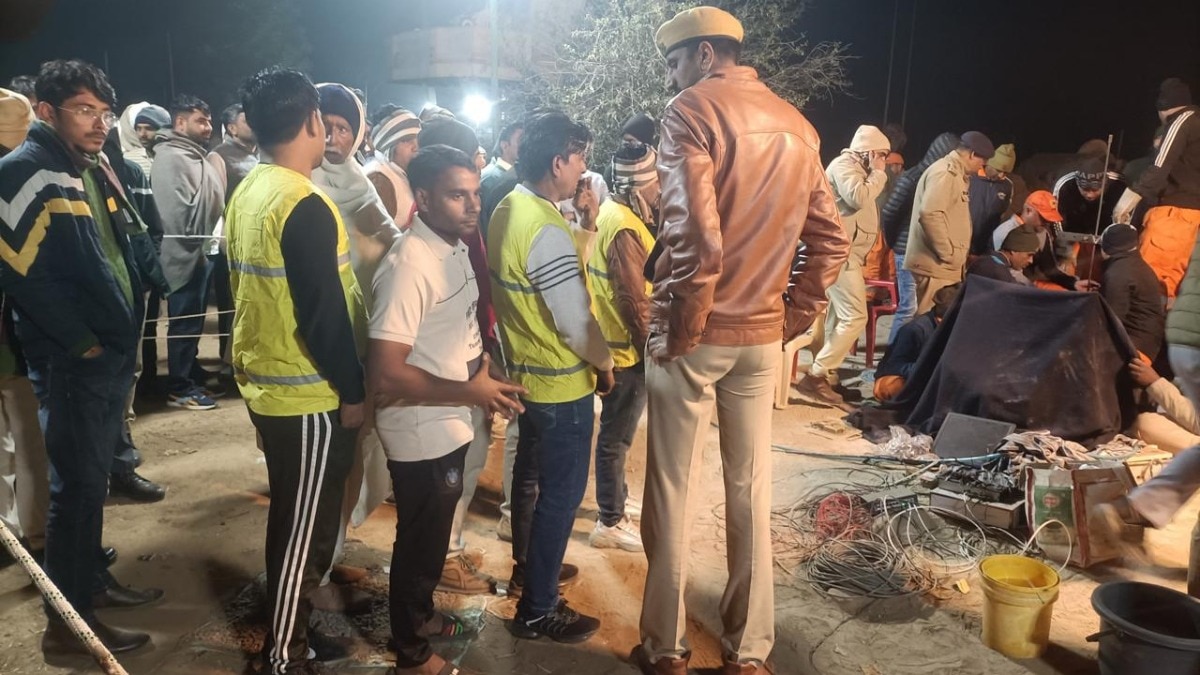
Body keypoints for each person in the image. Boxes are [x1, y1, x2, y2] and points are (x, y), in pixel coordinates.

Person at [635, 8, 849, 675]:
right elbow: (832, 239)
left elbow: (696, 241)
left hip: (700, 332)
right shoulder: (799, 126)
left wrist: (686, 327)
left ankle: (666, 648)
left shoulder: (689, 113)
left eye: (673, 63)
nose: (670, 77)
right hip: (761, 336)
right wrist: (794, 317)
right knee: (751, 487)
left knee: (672, 486)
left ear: (703, 55)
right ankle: (750, 653)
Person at [0, 58, 165, 656]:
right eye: (84, 110)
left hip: (108, 351)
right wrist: (82, 343)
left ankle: (91, 585)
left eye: (104, 111)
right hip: (74, 361)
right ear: (45, 112)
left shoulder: (87, 165)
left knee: (92, 485)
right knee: (74, 493)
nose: (100, 123)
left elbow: (122, 244)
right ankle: (68, 629)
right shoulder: (22, 171)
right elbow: (25, 279)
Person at [226, 66, 367, 675]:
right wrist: (354, 392)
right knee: (301, 535)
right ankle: (283, 656)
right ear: (313, 121)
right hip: (307, 396)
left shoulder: (252, 188)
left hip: (268, 383)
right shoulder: (303, 204)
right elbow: (323, 317)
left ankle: (295, 637)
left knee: (295, 519)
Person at [369, 144, 524, 675]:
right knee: (419, 540)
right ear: (424, 198)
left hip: (449, 419)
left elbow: (458, 329)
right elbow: (386, 369)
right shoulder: (408, 264)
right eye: (458, 195)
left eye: (476, 193)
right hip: (418, 427)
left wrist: (487, 372)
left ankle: (425, 617)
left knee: (433, 535)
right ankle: (411, 654)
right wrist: (471, 393)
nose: (472, 204)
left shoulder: (454, 246)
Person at [487, 111, 614, 643]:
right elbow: (575, 321)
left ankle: (528, 571)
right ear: (559, 161)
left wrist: (581, 226)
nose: (584, 167)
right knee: (560, 499)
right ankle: (539, 609)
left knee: (530, 484)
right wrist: (605, 365)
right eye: (580, 156)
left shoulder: (508, 210)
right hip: (562, 388)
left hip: (528, 379)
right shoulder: (542, 226)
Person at [586, 142, 660, 552]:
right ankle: (609, 522)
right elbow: (633, 302)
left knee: (615, 437)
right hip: (628, 354)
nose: (660, 193)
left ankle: (614, 505)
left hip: (617, 346)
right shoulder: (626, 227)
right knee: (616, 439)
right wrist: (652, 354)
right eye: (655, 186)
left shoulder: (613, 214)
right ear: (636, 188)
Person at [795, 125, 889, 408]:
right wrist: (879, 173)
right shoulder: (843, 166)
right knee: (855, 316)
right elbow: (857, 197)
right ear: (869, 152)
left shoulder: (861, 171)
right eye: (881, 155)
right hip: (838, 254)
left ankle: (828, 378)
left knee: (839, 317)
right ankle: (816, 373)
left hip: (849, 255)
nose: (884, 160)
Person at [101, 124, 171, 504]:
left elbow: (148, 228)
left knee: (122, 392)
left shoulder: (119, 170)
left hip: (127, 298)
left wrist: (144, 278)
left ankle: (121, 468)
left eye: (101, 113)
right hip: (83, 314)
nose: (95, 124)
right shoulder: (49, 175)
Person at [0, 87, 49, 566]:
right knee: (30, 444)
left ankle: (11, 536)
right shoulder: (16, 180)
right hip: (14, 344)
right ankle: (36, 536)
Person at [152, 94, 225, 410]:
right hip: (183, 252)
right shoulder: (171, 158)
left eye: (208, 120)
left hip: (203, 249)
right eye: (200, 120)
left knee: (194, 320)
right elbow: (176, 214)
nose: (207, 126)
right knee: (182, 322)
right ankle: (179, 387)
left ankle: (190, 370)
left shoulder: (195, 156)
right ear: (179, 122)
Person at [1114, 77, 1200, 299]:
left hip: (1174, 218)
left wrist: (1127, 200)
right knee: (1175, 291)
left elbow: (1160, 165)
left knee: (1150, 286)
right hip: (1190, 219)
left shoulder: (1181, 120)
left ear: (1162, 108)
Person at [880, 132, 959, 339]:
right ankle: (891, 362)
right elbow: (889, 213)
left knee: (921, 308)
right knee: (908, 308)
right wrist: (895, 242)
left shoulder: (940, 180)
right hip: (906, 251)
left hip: (924, 253)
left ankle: (909, 354)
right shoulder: (913, 178)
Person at [905, 131, 994, 314]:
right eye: (981, 163)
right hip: (936, 265)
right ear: (972, 155)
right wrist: (948, 254)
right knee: (930, 322)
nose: (980, 169)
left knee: (936, 322)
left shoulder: (955, 174)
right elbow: (930, 214)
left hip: (939, 265)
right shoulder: (946, 173)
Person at [992, 190, 1096, 291]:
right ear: (1028, 210)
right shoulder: (1004, 231)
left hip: (1027, 287)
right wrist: (1034, 292)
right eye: (1043, 218)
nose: (1047, 223)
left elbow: (1049, 267)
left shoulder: (1042, 232)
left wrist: (1072, 283)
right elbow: (1001, 270)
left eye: (1049, 219)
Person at [873, 284, 958, 402]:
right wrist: (927, 368)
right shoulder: (914, 329)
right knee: (890, 387)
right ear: (940, 320)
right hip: (912, 378)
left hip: (940, 379)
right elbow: (893, 366)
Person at [1100, 223, 1165, 361]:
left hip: (1134, 348)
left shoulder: (1118, 273)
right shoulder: (1138, 265)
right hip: (1149, 343)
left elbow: (1113, 318)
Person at [365, 105, 420, 224]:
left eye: (417, 139)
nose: (416, 147)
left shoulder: (397, 173)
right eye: (407, 140)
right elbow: (376, 237)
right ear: (388, 145)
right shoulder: (379, 179)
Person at [968, 143, 1015, 255]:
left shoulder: (1007, 185)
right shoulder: (970, 178)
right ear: (989, 163)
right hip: (962, 241)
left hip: (987, 246)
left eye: (1005, 172)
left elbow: (1003, 214)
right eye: (998, 170)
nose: (1001, 175)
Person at [968, 226, 1040, 283]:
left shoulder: (984, 259)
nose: (1031, 261)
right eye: (1029, 255)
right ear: (1014, 250)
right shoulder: (1001, 275)